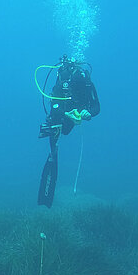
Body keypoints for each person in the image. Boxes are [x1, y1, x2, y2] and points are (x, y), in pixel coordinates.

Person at [36, 55, 100, 207]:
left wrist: (88, 113)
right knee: (54, 149)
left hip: (74, 117)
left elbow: (97, 106)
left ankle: (52, 161)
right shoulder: (63, 82)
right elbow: (54, 105)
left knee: (62, 135)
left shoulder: (88, 83)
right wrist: (66, 114)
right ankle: (46, 197)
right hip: (60, 117)